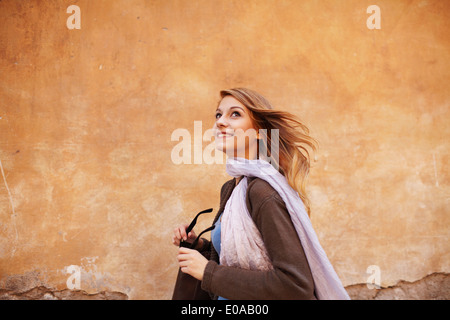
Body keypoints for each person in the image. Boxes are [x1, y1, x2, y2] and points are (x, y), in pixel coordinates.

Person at [173, 88, 349, 300]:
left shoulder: (262, 192)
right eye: (218, 114)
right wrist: (199, 246)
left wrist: (208, 272)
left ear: (258, 131)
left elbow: (295, 284)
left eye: (235, 114)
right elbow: (237, 260)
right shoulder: (232, 188)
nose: (220, 122)